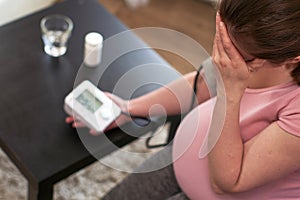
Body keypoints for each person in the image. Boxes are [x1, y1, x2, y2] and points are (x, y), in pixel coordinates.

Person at [66, 0, 300, 199]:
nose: (223, 58)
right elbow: (202, 83)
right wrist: (128, 108)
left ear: (291, 59)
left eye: (239, 57)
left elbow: (228, 182)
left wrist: (230, 91)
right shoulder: (247, 48)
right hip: (183, 155)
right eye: (222, 41)